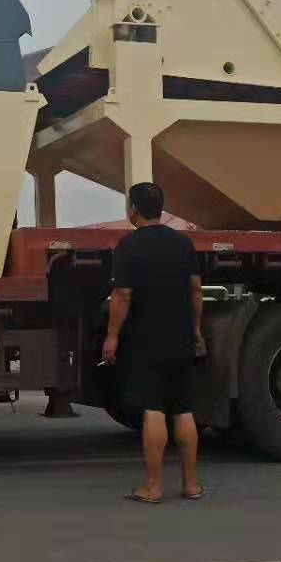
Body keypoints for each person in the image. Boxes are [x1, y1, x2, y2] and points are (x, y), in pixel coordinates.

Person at [103, 182, 204, 503]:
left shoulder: (129, 246)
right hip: (181, 336)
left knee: (155, 408)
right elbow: (196, 290)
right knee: (184, 409)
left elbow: (122, 294)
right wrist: (196, 330)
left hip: (147, 340)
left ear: (133, 208)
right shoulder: (183, 244)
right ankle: (191, 484)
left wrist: (112, 336)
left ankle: (153, 487)